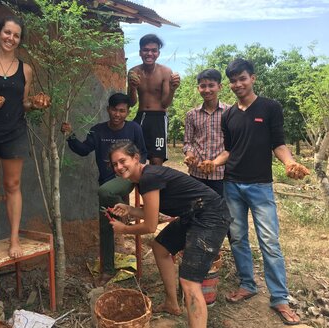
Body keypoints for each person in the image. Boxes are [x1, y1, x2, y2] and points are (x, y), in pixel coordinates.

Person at [201, 58, 309, 325]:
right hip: (232, 184)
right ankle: (247, 284)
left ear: (253, 78)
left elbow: (279, 143)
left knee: (269, 242)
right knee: (237, 238)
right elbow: (230, 150)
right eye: (234, 80)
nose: (238, 84)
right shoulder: (229, 115)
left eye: (243, 79)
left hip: (260, 185)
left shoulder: (270, 107)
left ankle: (280, 298)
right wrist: (214, 163)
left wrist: (289, 162)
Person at [108, 141, 231, 328]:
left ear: (136, 158)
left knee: (190, 282)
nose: (119, 167)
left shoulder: (149, 177)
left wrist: (123, 229)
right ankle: (172, 303)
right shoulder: (144, 178)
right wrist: (130, 210)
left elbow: (149, 226)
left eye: (122, 161)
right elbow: (154, 214)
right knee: (160, 247)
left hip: (210, 216)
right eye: (115, 164)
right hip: (193, 213)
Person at [0, 16, 49, 258]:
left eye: (15, 35)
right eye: (7, 32)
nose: (10, 38)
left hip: (14, 132)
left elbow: (22, 103)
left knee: (13, 185)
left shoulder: (26, 70)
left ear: (19, 40)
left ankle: (14, 239)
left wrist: (35, 104)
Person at [60, 93, 147, 285]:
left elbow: (143, 153)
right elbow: (83, 150)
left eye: (122, 111)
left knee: (105, 193)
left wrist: (134, 172)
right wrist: (70, 135)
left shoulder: (134, 128)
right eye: (114, 110)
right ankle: (108, 270)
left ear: (127, 112)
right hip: (106, 182)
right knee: (106, 225)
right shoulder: (97, 131)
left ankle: (125, 210)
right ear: (108, 109)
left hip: (128, 178)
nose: (117, 114)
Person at [127, 34, 181, 165]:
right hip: (140, 116)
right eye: (146, 50)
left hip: (158, 117)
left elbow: (165, 103)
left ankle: (155, 186)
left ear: (158, 53)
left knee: (156, 160)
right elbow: (132, 103)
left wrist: (173, 89)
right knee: (135, 159)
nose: (149, 53)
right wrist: (133, 88)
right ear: (140, 52)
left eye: (153, 50)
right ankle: (138, 186)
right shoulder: (134, 71)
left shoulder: (165, 72)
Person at [183, 68, 230, 196]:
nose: (207, 90)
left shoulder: (230, 112)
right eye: (203, 86)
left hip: (222, 174)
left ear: (219, 86)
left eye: (211, 85)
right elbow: (188, 142)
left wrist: (215, 163)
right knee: (198, 209)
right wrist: (190, 155)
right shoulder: (191, 115)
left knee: (221, 210)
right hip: (196, 173)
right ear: (198, 88)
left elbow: (234, 145)